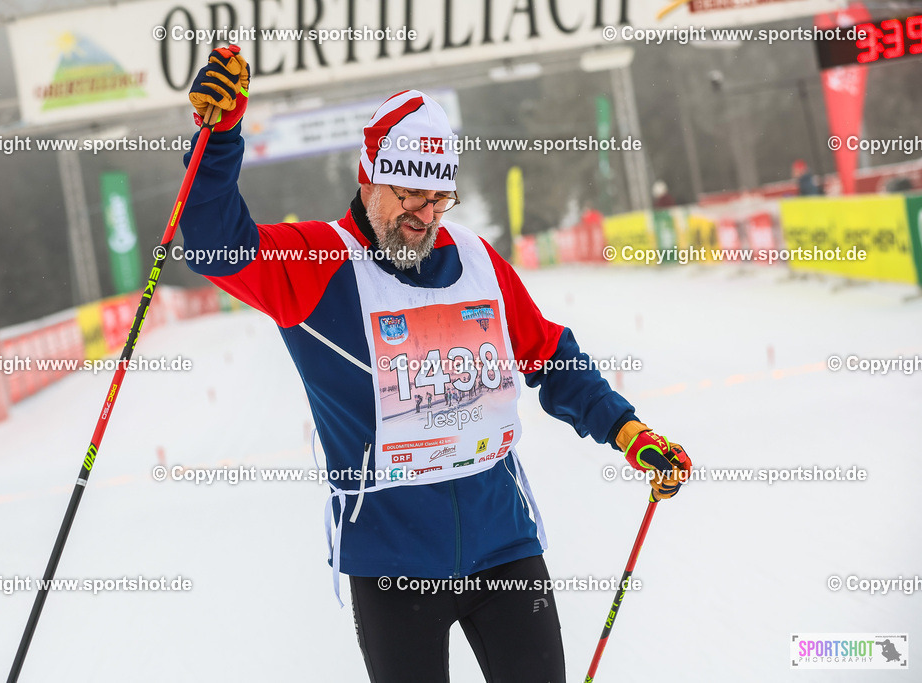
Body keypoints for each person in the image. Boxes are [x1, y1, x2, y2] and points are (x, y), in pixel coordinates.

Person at [181, 45, 692, 683]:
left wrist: (625, 429)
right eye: (408, 198)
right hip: (392, 567)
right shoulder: (318, 268)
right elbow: (211, 245)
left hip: (504, 546)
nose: (424, 219)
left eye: (439, 200)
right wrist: (220, 137)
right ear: (368, 177)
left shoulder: (477, 260)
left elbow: (550, 354)